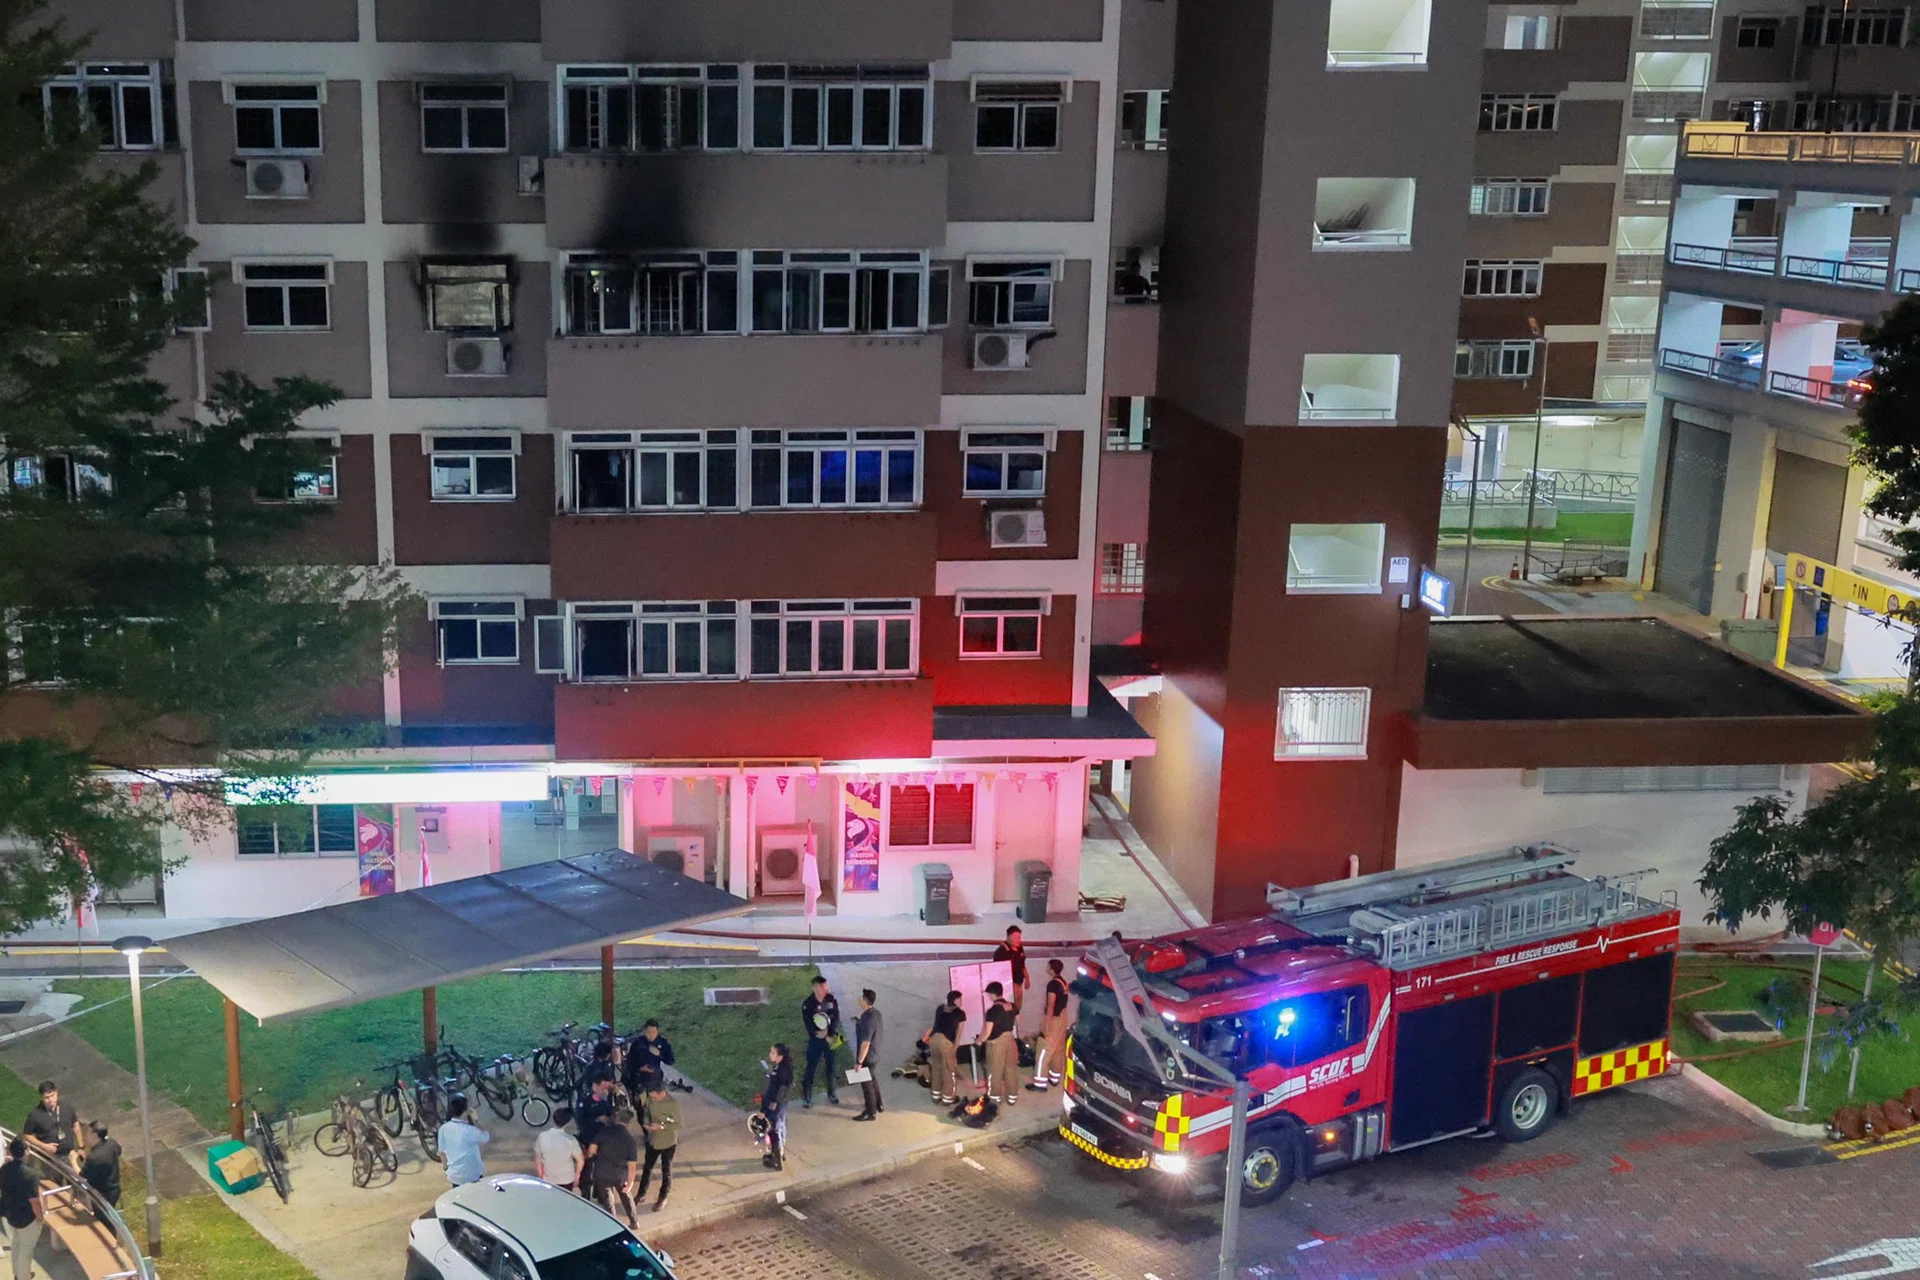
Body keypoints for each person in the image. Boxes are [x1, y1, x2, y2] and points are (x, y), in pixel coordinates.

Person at [583, 1107, 639, 1226]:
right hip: (620, 1175)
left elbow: (592, 1149)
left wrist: (593, 1156)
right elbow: (632, 1166)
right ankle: (634, 1221)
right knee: (626, 1197)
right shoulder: (630, 1140)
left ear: (617, 1119)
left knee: (608, 1200)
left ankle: (615, 1224)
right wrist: (630, 1183)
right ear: (628, 1122)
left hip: (603, 1173)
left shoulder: (605, 1131)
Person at [2, 1137, 44, 1280]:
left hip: (9, 1214)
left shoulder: (4, 1169)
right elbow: (34, 1201)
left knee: (16, 1244)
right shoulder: (31, 1175)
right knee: (26, 1251)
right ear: (26, 1151)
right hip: (27, 1218)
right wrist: (40, 1217)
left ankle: (17, 1273)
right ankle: (23, 1276)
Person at [1029, 959, 1073, 1092]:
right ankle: (1055, 1078)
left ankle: (1040, 1083)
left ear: (1052, 969)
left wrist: (1046, 1025)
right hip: (1063, 1019)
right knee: (1059, 1049)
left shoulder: (1052, 984)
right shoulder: (1063, 981)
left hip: (1054, 1019)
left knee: (1044, 1050)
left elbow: (1051, 1004)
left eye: (1048, 966)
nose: (1046, 967)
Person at [799, 975, 842, 1108]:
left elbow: (835, 1017)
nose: (825, 988)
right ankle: (807, 1095)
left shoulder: (831, 999)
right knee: (811, 1066)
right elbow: (808, 1024)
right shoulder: (808, 1004)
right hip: (816, 1040)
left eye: (826, 986)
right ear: (814, 987)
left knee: (831, 1066)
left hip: (830, 1039)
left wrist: (829, 1033)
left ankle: (832, 1093)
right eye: (822, 986)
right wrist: (820, 1034)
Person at [635, 1081, 679, 1212]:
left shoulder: (672, 1105)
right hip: (653, 1140)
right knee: (647, 1167)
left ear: (662, 1093)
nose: (652, 1098)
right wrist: (647, 1123)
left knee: (666, 1170)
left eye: (654, 1096)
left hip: (668, 1142)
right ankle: (641, 1193)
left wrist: (662, 1126)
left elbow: (679, 1124)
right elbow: (647, 1113)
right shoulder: (651, 1100)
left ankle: (663, 1197)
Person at [976, 982, 1019, 1108]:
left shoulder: (992, 1010)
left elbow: (987, 1032)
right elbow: (1017, 1021)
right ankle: (1012, 1097)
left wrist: (979, 1041)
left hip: (996, 1043)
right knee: (1010, 1068)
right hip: (1010, 1039)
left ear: (992, 994)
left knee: (994, 1070)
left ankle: (994, 1097)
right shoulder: (1012, 1006)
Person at [22, 1081, 81, 1173]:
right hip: (50, 1159)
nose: (50, 1100)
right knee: (54, 1184)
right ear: (42, 1097)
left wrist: (81, 1146)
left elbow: (75, 1125)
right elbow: (27, 1135)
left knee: (77, 1183)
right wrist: (43, 1146)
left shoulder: (67, 1107)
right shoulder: (35, 1115)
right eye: (46, 1097)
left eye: (52, 1095)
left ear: (57, 1093)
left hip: (70, 1154)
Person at [434, 1095, 491, 1187]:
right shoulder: (470, 1130)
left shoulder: (443, 1128)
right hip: (473, 1175)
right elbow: (485, 1137)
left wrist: (445, 1167)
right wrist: (476, 1120)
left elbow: (441, 1152)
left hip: (454, 1176)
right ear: (465, 1111)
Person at [924, 990, 967, 1105]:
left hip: (933, 1040)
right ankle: (948, 1098)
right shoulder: (960, 1013)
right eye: (960, 999)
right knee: (949, 1071)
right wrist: (954, 1050)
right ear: (956, 1000)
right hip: (946, 1042)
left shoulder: (940, 1008)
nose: (961, 1002)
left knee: (936, 1068)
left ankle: (936, 1096)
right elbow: (958, 1034)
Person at [851, 989, 884, 1121]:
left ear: (864, 1001)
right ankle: (879, 1104)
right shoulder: (875, 1014)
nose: (859, 999)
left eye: (861, 997)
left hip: (867, 1056)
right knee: (872, 1079)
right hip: (875, 1054)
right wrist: (859, 1022)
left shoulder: (867, 1019)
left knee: (866, 1085)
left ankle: (870, 1112)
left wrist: (859, 1062)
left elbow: (865, 1043)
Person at [534, 1105, 583, 1193]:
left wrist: (541, 1175)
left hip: (549, 1178)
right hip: (567, 1179)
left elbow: (538, 1159)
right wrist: (577, 1176)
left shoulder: (542, 1136)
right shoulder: (571, 1140)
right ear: (567, 1123)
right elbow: (580, 1161)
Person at [760, 1044, 792, 1171]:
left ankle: (776, 1161)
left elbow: (771, 1092)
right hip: (782, 1103)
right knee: (780, 1127)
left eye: (773, 1053)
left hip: (775, 1105)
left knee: (773, 1131)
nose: (770, 1055)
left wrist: (764, 1110)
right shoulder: (785, 1069)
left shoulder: (779, 1072)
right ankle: (780, 1154)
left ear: (780, 1056)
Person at [625, 1020, 676, 1097]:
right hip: (639, 1078)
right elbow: (630, 1061)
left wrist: (660, 1054)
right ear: (645, 1031)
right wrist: (640, 1068)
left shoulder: (662, 1042)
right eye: (649, 1032)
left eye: (654, 1032)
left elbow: (671, 1060)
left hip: (655, 1079)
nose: (651, 1035)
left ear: (657, 1032)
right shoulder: (638, 1042)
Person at [993, 927, 1031, 1022]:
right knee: (1009, 1008)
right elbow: (999, 971)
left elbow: (1022, 964)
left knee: (1018, 1008)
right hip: (1009, 984)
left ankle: (1015, 1024)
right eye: (1016, 937)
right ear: (1009, 937)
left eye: (1019, 937)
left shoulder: (1020, 948)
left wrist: (1027, 978)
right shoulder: (1001, 951)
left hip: (1019, 982)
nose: (1018, 940)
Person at [80, 1121, 122, 1208]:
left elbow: (82, 1177)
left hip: (102, 1194)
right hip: (115, 1188)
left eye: (88, 1133)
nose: (86, 1136)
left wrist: (72, 1160)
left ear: (95, 1136)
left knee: (102, 1217)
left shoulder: (94, 1157)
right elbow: (118, 1151)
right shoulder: (111, 1143)